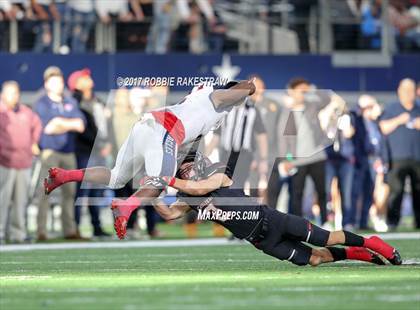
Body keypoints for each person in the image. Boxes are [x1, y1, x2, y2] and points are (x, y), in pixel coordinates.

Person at [43, 79, 257, 239]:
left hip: (148, 125)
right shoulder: (214, 96)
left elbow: (185, 151)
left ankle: (63, 176)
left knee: (117, 177)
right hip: (165, 130)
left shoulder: (201, 107)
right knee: (159, 181)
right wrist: (249, 86)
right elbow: (240, 90)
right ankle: (125, 207)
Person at [151, 154, 402, 267]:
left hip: (273, 219)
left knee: (326, 237)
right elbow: (170, 214)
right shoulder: (188, 195)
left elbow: (197, 189)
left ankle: (372, 243)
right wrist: (151, 194)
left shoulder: (218, 176)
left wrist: (166, 179)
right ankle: (357, 254)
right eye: (182, 172)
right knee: (314, 259)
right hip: (261, 240)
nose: (187, 174)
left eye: (187, 169)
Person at [34, 66, 86, 241]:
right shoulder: (42, 103)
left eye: (60, 81)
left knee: (69, 193)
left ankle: (69, 230)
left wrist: (59, 122)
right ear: (47, 84)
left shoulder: (70, 101)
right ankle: (41, 231)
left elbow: (80, 125)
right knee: (45, 192)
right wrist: (68, 123)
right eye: (54, 81)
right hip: (50, 152)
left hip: (68, 153)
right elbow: (48, 127)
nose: (59, 85)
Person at [68, 68, 112, 237]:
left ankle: (97, 227)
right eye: (84, 77)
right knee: (81, 191)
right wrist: (98, 143)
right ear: (77, 83)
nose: (89, 78)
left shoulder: (97, 101)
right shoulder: (75, 102)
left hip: (99, 152)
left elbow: (105, 127)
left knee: (97, 191)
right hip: (85, 151)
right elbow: (83, 130)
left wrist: (106, 144)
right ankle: (76, 227)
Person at [0, 81, 42, 244]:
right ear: (3, 95)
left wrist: (34, 142)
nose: (14, 96)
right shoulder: (1, 113)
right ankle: (1, 232)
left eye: (16, 93)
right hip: (4, 162)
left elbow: (37, 126)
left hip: (24, 162)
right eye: (10, 93)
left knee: (21, 200)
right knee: (2, 199)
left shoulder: (26, 112)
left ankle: (18, 233)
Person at [379, 78, 420, 229]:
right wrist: (399, 120)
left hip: (417, 157)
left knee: (418, 191)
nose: (408, 93)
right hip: (397, 157)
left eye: (411, 90)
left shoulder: (418, 107)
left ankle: (418, 222)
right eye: (405, 90)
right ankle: (392, 222)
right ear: (399, 91)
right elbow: (383, 127)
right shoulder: (392, 108)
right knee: (396, 191)